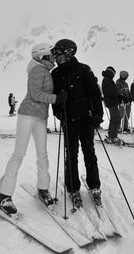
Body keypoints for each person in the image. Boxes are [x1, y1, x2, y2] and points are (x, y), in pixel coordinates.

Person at [0, 42, 67, 215]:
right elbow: (36, 94)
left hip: (40, 117)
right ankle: (4, 195)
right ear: (42, 56)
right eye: (50, 55)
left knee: (42, 154)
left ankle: (43, 188)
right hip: (27, 115)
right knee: (19, 154)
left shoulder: (45, 71)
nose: (53, 58)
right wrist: (56, 98)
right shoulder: (37, 69)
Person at [51, 39, 104, 207]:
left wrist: (98, 114)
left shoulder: (84, 69)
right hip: (69, 120)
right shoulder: (56, 74)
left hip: (86, 119)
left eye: (58, 53)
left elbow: (95, 93)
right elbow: (55, 99)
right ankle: (73, 188)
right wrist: (59, 112)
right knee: (70, 155)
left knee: (89, 152)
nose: (55, 56)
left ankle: (94, 186)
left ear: (69, 52)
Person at [102, 66, 122, 144]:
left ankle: (111, 135)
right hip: (111, 102)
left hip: (111, 101)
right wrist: (118, 96)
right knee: (116, 119)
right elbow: (111, 92)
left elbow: (112, 91)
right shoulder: (107, 80)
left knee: (114, 118)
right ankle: (113, 136)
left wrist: (118, 96)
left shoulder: (108, 79)